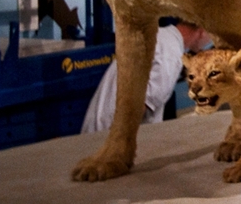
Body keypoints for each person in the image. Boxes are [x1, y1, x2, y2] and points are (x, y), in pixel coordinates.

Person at [81, 19, 212, 133]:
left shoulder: (159, 36)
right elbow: (135, 110)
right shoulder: (170, 57)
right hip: (106, 138)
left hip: (96, 130)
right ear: (202, 31)